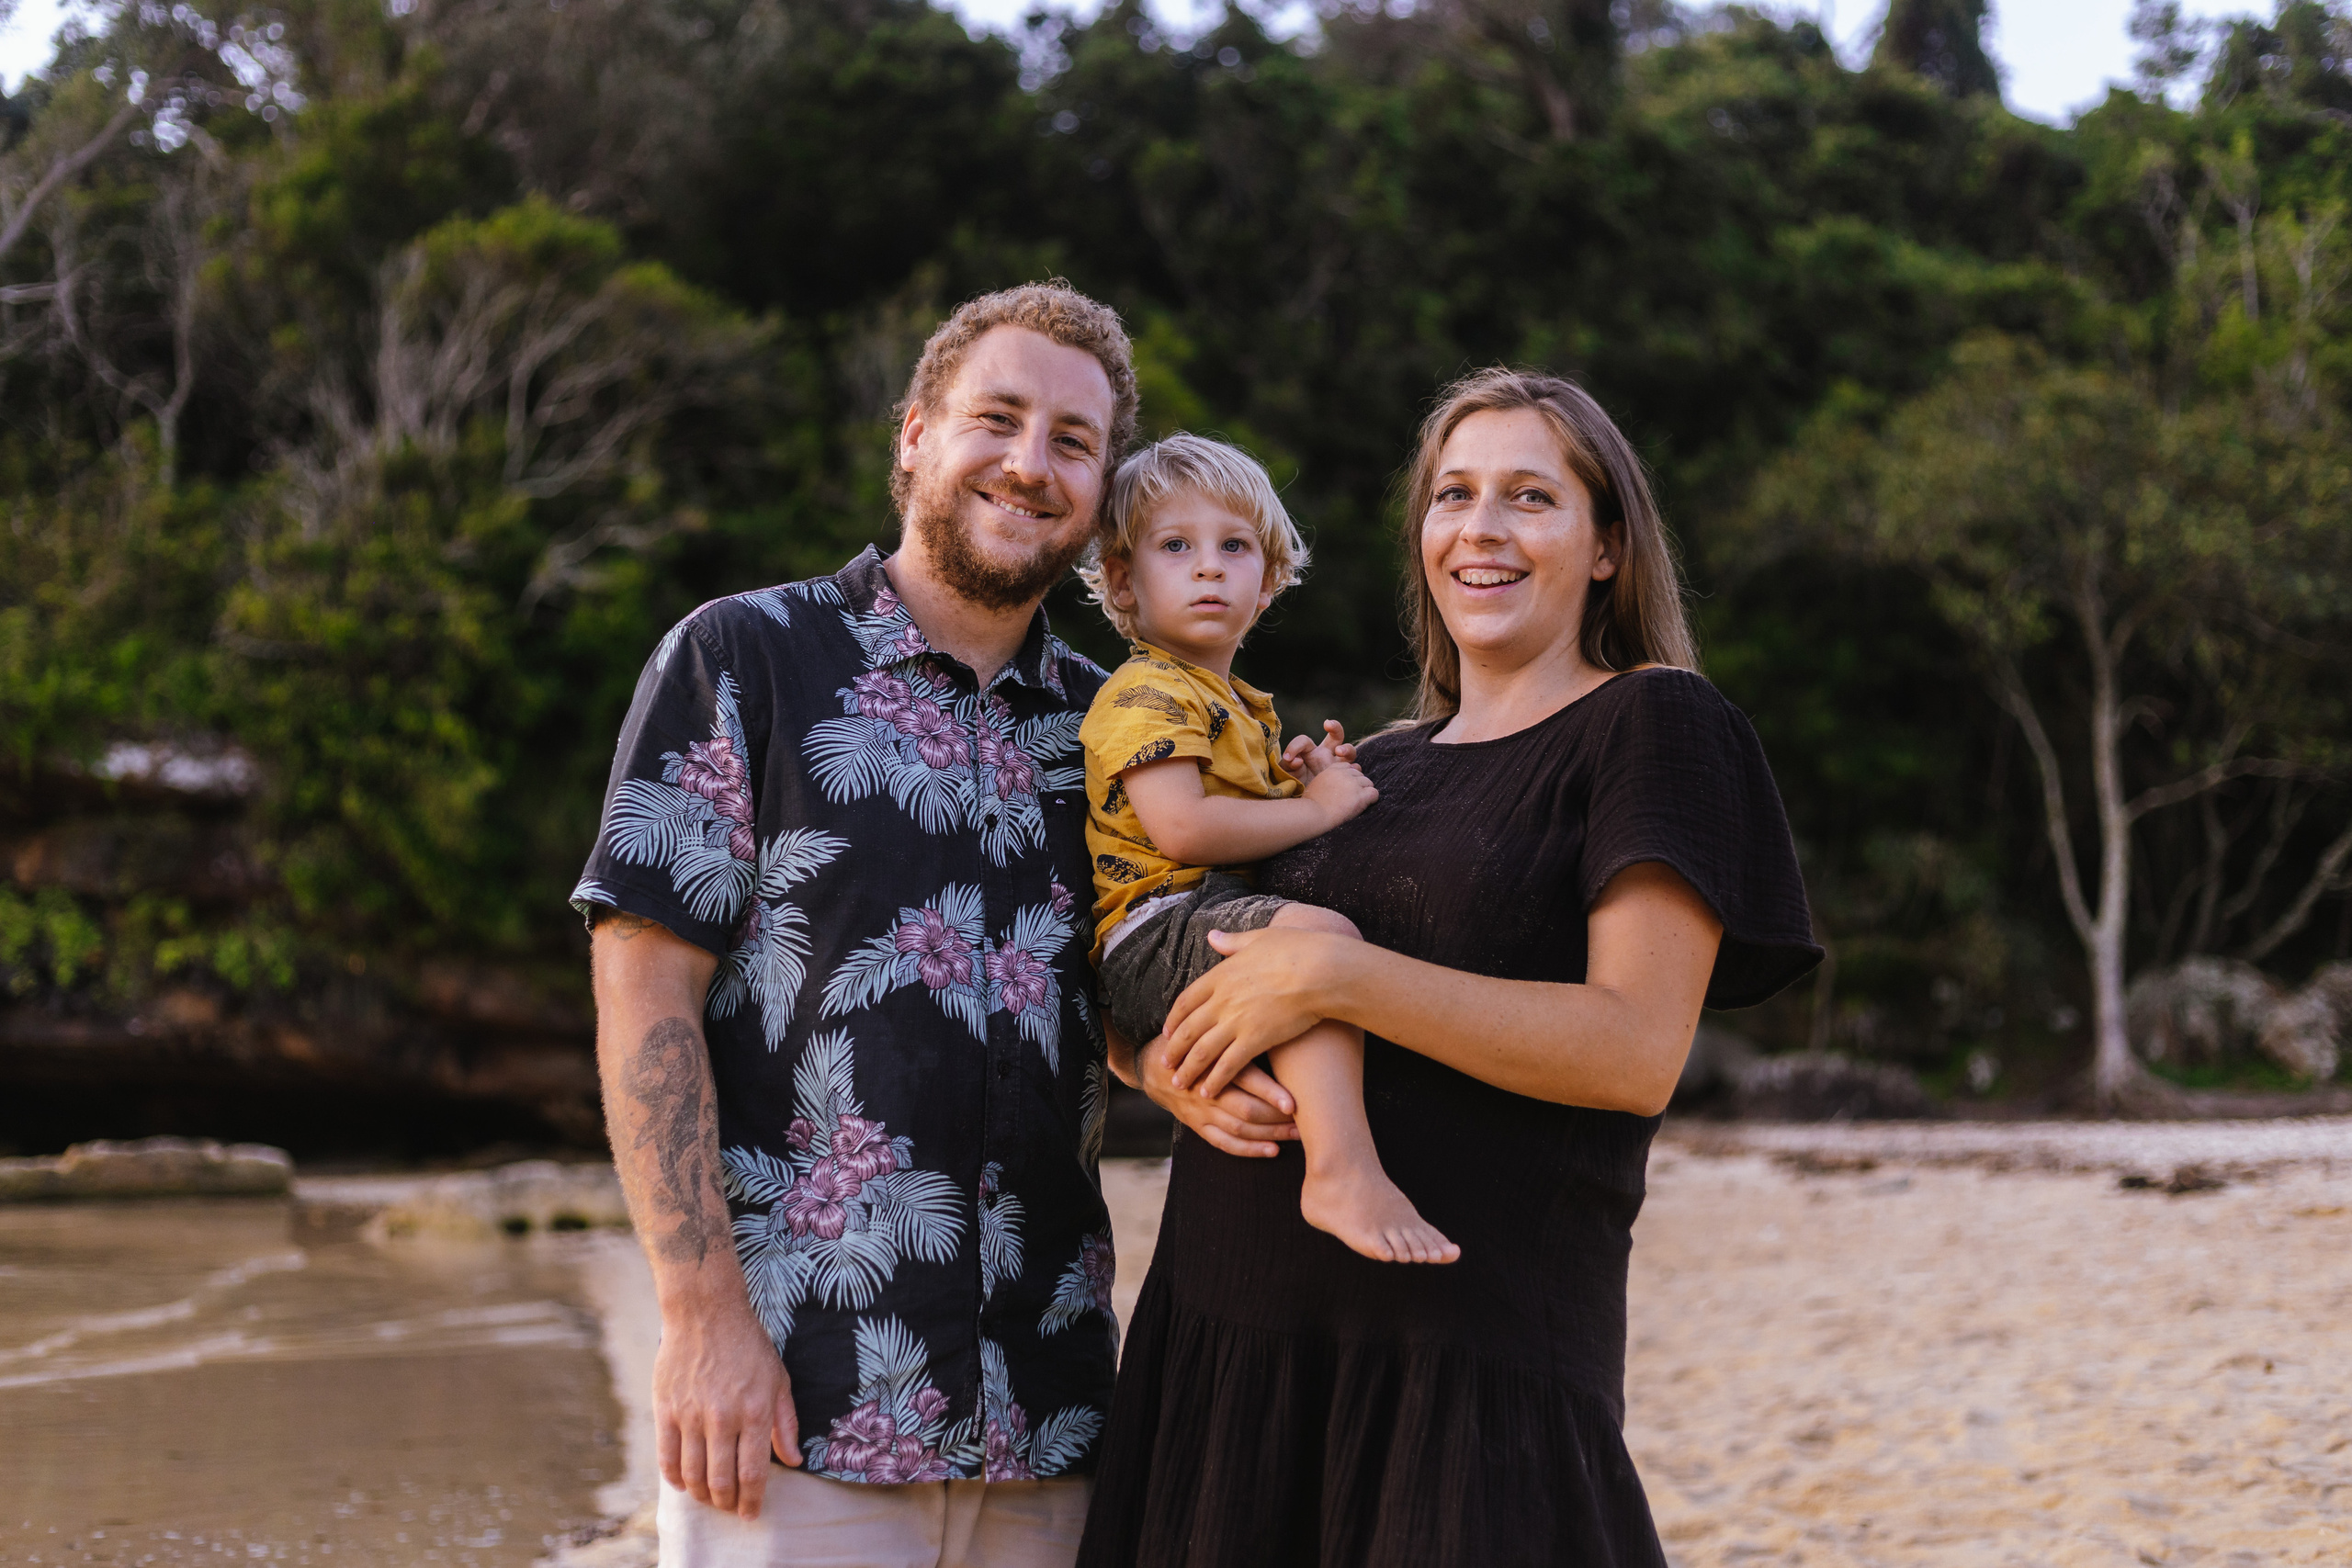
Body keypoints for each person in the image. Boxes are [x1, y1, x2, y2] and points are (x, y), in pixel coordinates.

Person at [1078, 368, 1824, 1568]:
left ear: (1608, 547)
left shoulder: (1653, 724)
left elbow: (1635, 1051)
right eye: (1452, 495)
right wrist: (1162, 1064)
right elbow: (1155, 936)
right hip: (1220, 1362)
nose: (1480, 528)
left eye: (1530, 496)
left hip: (1457, 1382)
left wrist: (1333, 980)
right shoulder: (1367, 763)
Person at [575, 281, 1137, 1568]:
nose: (1029, 462)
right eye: (997, 418)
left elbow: (1138, 1020)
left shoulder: (1116, 731)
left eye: (1072, 441)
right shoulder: (744, 658)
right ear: (914, 436)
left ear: (1102, 489)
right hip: (789, 1404)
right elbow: (644, 990)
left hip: (1052, 1418)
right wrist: (699, 1313)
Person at [1074, 433, 1456, 1266]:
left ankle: (1323, 1146)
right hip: (1152, 930)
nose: (1208, 567)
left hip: (1194, 916)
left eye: (1234, 547)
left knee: (1317, 950)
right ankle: (1341, 1168)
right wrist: (1316, 810)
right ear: (1121, 580)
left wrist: (1302, 779)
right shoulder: (1145, 689)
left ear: (1269, 581)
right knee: (1320, 944)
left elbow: (1239, 815)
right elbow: (1184, 829)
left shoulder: (1232, 702)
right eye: (1176, 546)